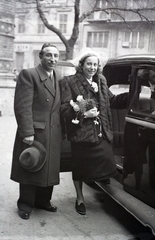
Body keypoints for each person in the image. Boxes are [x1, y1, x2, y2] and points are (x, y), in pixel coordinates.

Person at [59, 50, 128, 215]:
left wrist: (132, 94)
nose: (92, 67)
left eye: (95, 64)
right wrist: (83, 114)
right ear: (81, 65)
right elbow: (64, 109)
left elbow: (111, 101)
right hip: (81, 133)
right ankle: (80, 198)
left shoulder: (101, 81)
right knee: (80, 168)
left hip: (101, 131)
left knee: (106, 164)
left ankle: (105, 193)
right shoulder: (69, 82)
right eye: (89, 64)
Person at [10, 43, 62, 220]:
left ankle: (43, 201)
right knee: (31, 167)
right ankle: (25, 204)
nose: (52, 59)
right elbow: (22, 106)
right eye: (48, 55)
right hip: (35, 132)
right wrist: (27, 132)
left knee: (47, 168)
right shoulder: (29, 74)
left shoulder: (57, 76)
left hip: (53, 132)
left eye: (56, 56)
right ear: (40, 56)